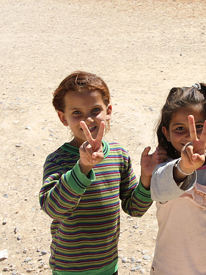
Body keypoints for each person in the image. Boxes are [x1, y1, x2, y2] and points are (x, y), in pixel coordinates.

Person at [39, 71, 164, 275]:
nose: (88, 120)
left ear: (109, 111)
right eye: (77, 113)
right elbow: (53, 208)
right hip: (69, 268)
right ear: (63, 118)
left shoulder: (118, 155)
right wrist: (82, 168)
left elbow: (135, 208)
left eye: (95, 110)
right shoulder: (58, 160)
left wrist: (146, 178)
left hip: (108, 266)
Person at [150, 83, 206, 275]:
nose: (189, 135)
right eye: (179, 128)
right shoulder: (163, 167)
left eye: (198, 127)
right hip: (169, 269)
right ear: (166, 132)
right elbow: (159, 190)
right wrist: (185, 167)